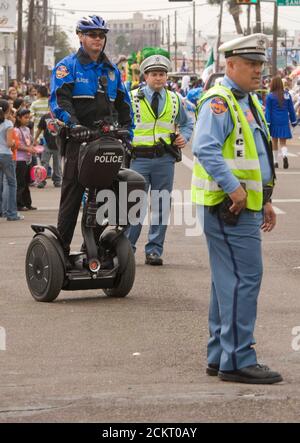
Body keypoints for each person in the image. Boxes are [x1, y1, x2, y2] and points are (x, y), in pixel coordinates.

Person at [191, 34, 283, 384]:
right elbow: (205, 148)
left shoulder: (246, 101)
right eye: (251, 64)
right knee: (244, 280)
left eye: (260, 64)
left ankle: (220, 355)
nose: (258, 70)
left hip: (243, 205)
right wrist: (236, 191)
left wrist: (267, 199)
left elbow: (256, 156)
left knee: (226, 282)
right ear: (230, 65)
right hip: (228, 206)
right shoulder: (220, 100)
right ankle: (238, 358)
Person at [49, 15, 134, 257]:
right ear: (80, 36)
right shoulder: (68, 66)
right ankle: (61, 252)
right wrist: (73, 125)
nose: (98, 39)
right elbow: (59, 101)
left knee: (106, 197)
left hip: (106, 142)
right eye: (92, 34)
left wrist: (128, 133)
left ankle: (92, 248)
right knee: (72, 198)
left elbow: (124, 105)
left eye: (101, 35)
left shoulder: (111, 71)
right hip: (78, 142)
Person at [126, 48, 193, 266]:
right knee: (135, 205)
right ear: (145, 76)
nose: (158, 78)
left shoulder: (175, 99)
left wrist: (184, 136)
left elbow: (187, 122)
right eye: (154, 74)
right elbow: (121, 123)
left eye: (162, 74)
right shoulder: (132, 98)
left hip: (164, 159)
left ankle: (154, 250)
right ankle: (127, 248)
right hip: (139, 159)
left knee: (162, 204)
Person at [265, 76, 297, 169]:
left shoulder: (270, 96)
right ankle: (284, 156)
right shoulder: (287, 95)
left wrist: (267, 122)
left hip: (274, 121)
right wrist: (294, 121)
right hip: (284, 121)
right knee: (283, 142)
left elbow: (268, 111)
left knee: (274, 141)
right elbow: (291, 109)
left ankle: (275, 162)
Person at [0, 99, 23, 221]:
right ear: (7, 110)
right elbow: (9, 143)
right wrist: (14, 142)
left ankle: (1, 211)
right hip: (6, 155)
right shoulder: (8, 123)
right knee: (11, 183)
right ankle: (12, 213)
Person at [14, 109, 37, 211]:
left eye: (29, 117)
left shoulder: (27, 129)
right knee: (20, 183)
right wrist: (28, 148)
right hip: (19, 159)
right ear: (19, 118)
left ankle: (27, 203)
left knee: (27, 182)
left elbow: (30, 141)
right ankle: (19, 204)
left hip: (27, 159)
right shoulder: (16, 130)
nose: (27, 120)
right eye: (25, 117)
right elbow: (16, 145)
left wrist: (33, 147)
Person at [33, 112, 62, 188]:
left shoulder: (62, 115)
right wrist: (35, 139)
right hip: (47, 143)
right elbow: (40, 128)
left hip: (58, 144)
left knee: (57, 163)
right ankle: (42, 180)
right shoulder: (45, 116)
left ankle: (57, 180)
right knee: (44, 162)